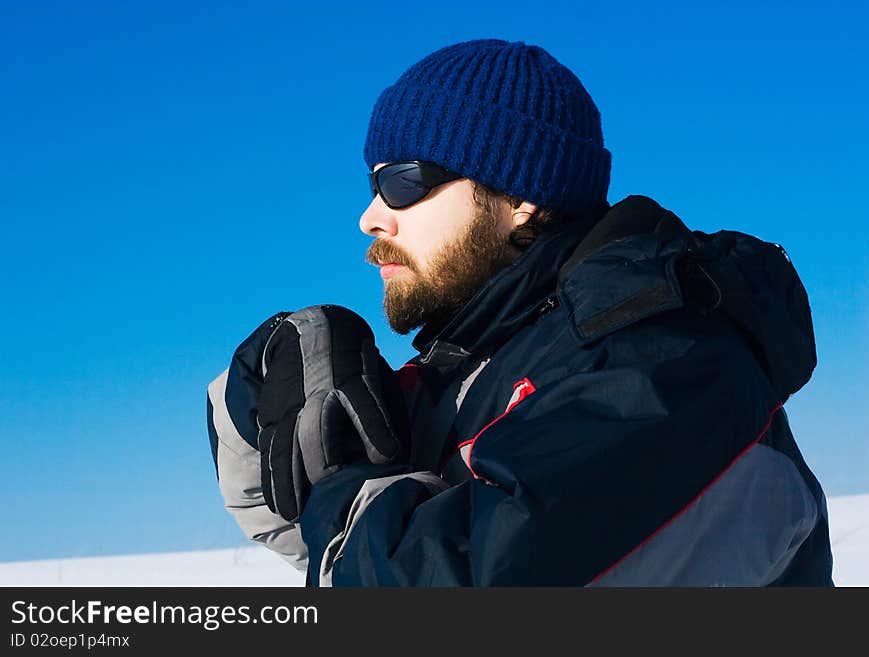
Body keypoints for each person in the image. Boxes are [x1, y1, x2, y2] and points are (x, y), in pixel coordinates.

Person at [206, 39, 833, 586]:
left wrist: (347, 480)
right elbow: (320, 548)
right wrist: (256, 396)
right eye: (371, 186)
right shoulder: (473, 369)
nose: (370, 217)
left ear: (520, 197)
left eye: (401, 181)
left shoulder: (664, 358)